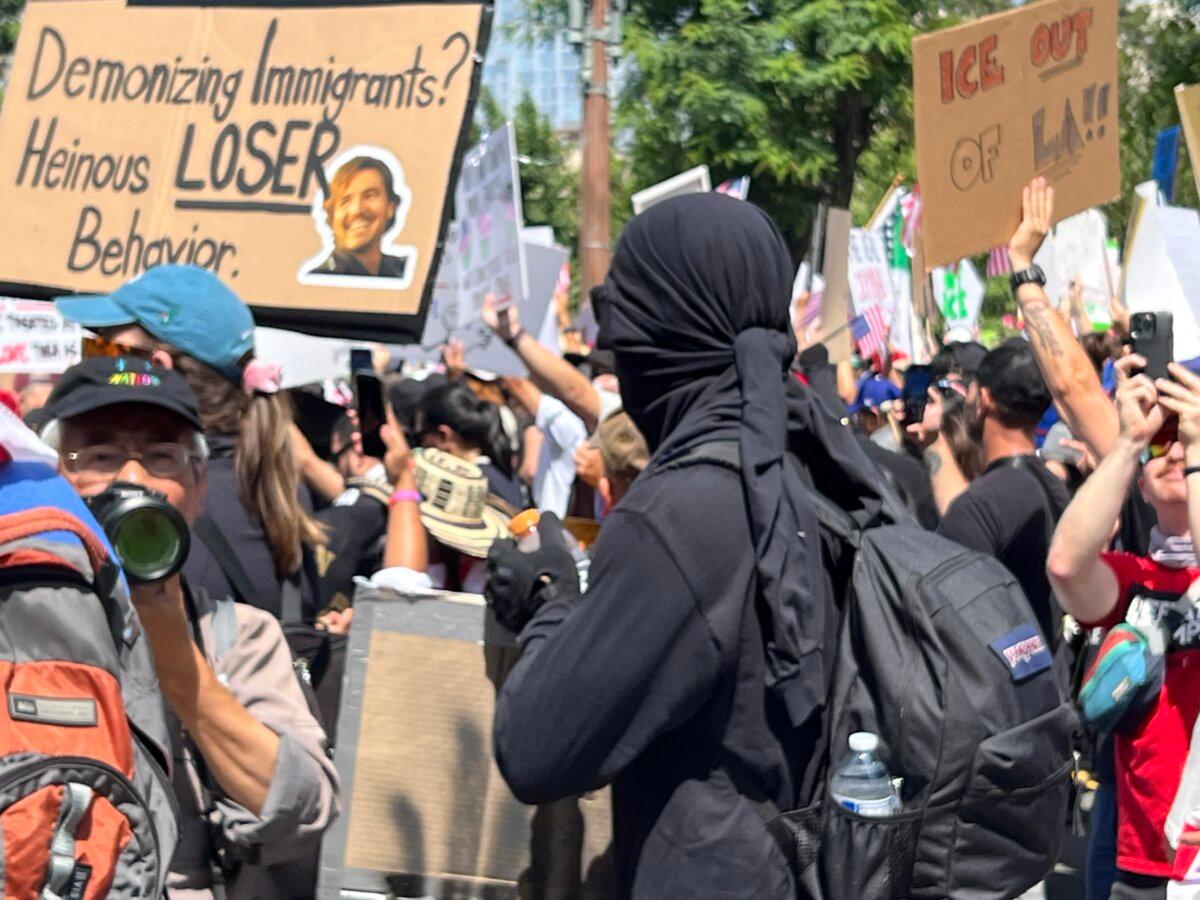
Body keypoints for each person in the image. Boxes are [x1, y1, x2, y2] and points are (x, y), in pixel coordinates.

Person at [487, 194, 862, 897]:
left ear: (668, 334)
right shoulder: (832, 460)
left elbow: (534, 749)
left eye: (627, 328)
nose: (618, 356)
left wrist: (549, 596)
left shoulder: (687, 510)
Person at [42, 356, 339, 898]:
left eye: (161, 458)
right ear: (54, 478)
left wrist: (176, 657)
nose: (132, 480)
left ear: (198, 488)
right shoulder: (17, 620)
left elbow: (301, 812)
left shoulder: (237, 635)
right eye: (101, 456)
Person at [55, 265, 327, 621]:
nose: (90, 368)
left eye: (102, 351)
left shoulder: (157, 509)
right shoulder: (276, 482)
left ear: (153, 368)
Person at [1047, 354, 1200, 900]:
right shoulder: (1136, 577)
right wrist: (1130, 442)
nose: (1177, 449)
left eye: (1188, 432)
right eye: (1166, 439)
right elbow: (1066, 565)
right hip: (1146, 858)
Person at [936, 338, 1068, 645]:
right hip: (1051, 677)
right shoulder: (1054, 487)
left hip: (1004, 684)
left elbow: (953, 619)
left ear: (984, 399)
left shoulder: (979, 505)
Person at [312, 413, 391, 616]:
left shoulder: (357, 504)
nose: (338, 470)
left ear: (357, 445)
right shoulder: (404, 491)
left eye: (336, 457)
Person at [417, 379, 525, 510]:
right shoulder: (497, 472)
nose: (421, 445)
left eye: (420, 435)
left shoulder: (471, 489)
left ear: (444, 435)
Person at [307, 156, 412, 279]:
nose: (356, 210)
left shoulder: (405, 271)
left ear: (390, 207)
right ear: (332, 215)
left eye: (369, 196)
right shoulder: (321, 279)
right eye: (345, 201)